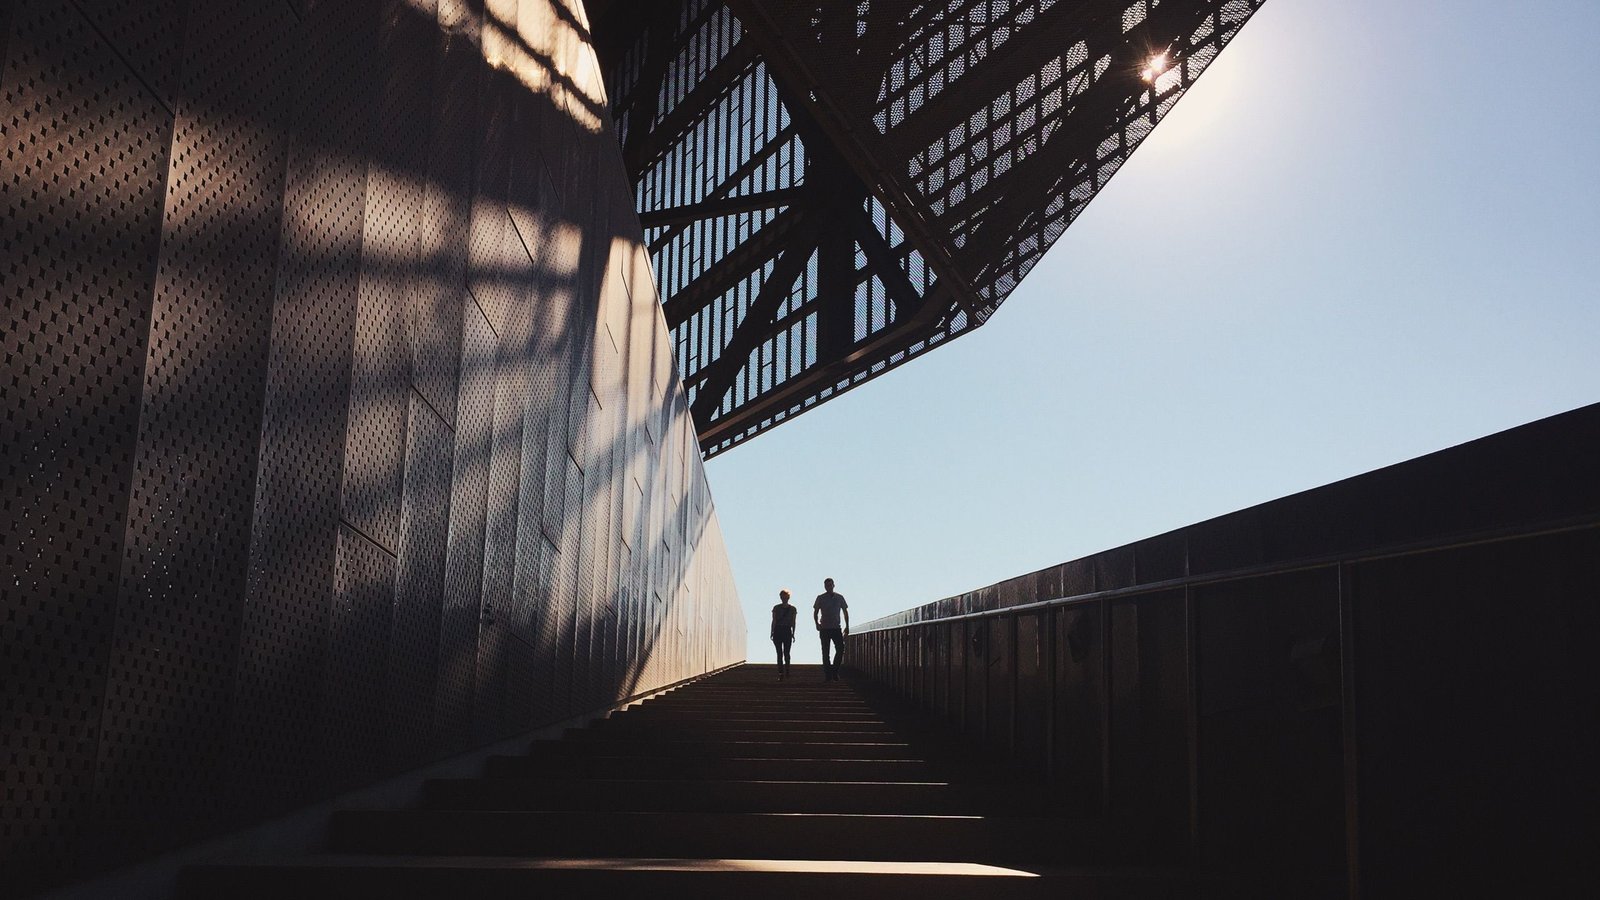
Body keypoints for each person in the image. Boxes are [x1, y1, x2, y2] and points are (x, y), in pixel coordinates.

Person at [813, 577, 849, 681]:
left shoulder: (839, 597)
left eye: (830, 585)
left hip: (836, 627)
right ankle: (828, 675)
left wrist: (847, 626)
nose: (828, 587)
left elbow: (845, 611)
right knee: (825, 652)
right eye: (826, 585)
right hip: (824, 628)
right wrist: (816, 623)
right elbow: (815, 612)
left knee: (840, 649)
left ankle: (835, 670)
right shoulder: (820, 598)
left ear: (833, 585)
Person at [770, 589, 797, 679]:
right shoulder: (777, 608)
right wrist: (772, 631)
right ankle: (782, 672)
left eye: (785, 597)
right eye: (783, 597)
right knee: (780, 653)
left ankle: (786, 672)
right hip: (780, 630)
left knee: (786, 652)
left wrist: (793, 632)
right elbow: (774, 620)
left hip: (785, 630)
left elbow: (793, 622)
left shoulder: (791, 609)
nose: (784, 598)